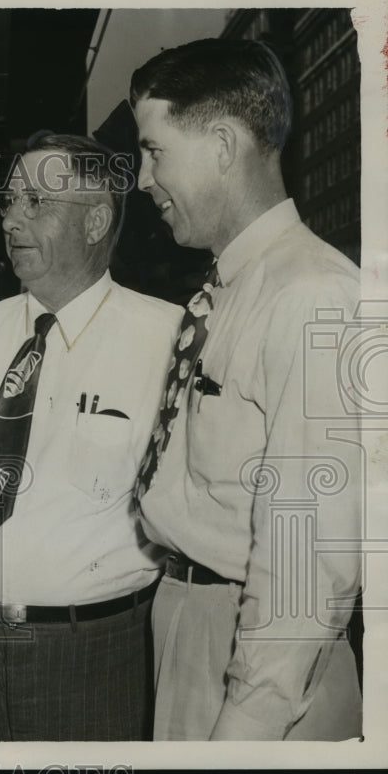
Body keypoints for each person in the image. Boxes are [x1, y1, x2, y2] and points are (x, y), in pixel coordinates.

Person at [0, 133, 182, 741]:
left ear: (97, 219)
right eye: (9, 201)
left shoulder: (168, 340)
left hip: (95, 654)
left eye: (37, 202)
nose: (13, 220)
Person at [130, 38, 362, 740]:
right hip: (191, 620)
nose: (142, 179)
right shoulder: (226, 288)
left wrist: (248, 725)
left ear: (223, 145)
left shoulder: (314, 295)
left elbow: (308, 560)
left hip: (257, 659)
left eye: (154, 151)